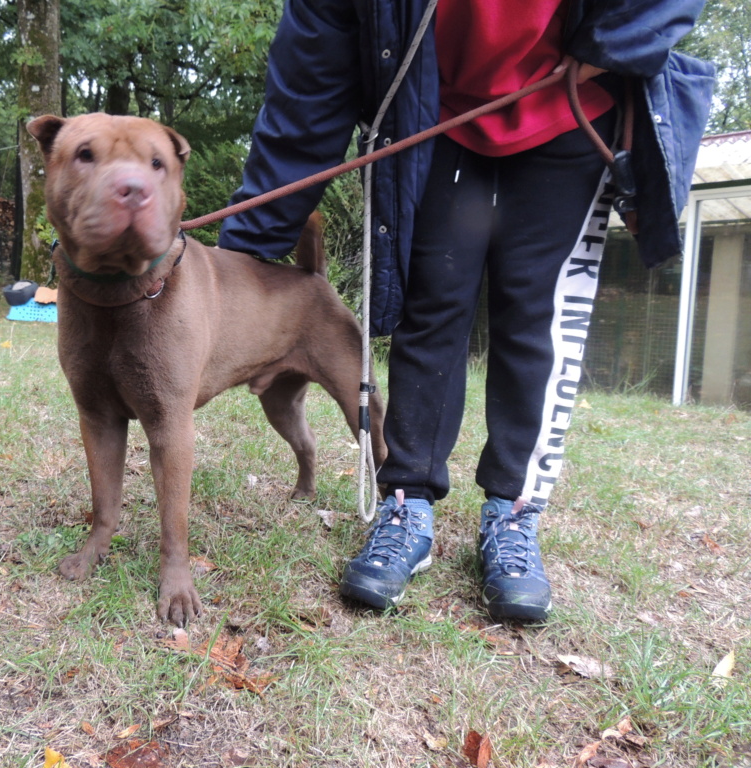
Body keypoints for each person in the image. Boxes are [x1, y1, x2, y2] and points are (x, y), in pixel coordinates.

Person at [218, 0, 714, 621]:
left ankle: (513, 512)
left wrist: (613, 42)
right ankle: (406, 502)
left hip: (573, 108)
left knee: (536, 320)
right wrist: (238, 260)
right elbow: (306, 94)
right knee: (431, 311)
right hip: (440, 119)